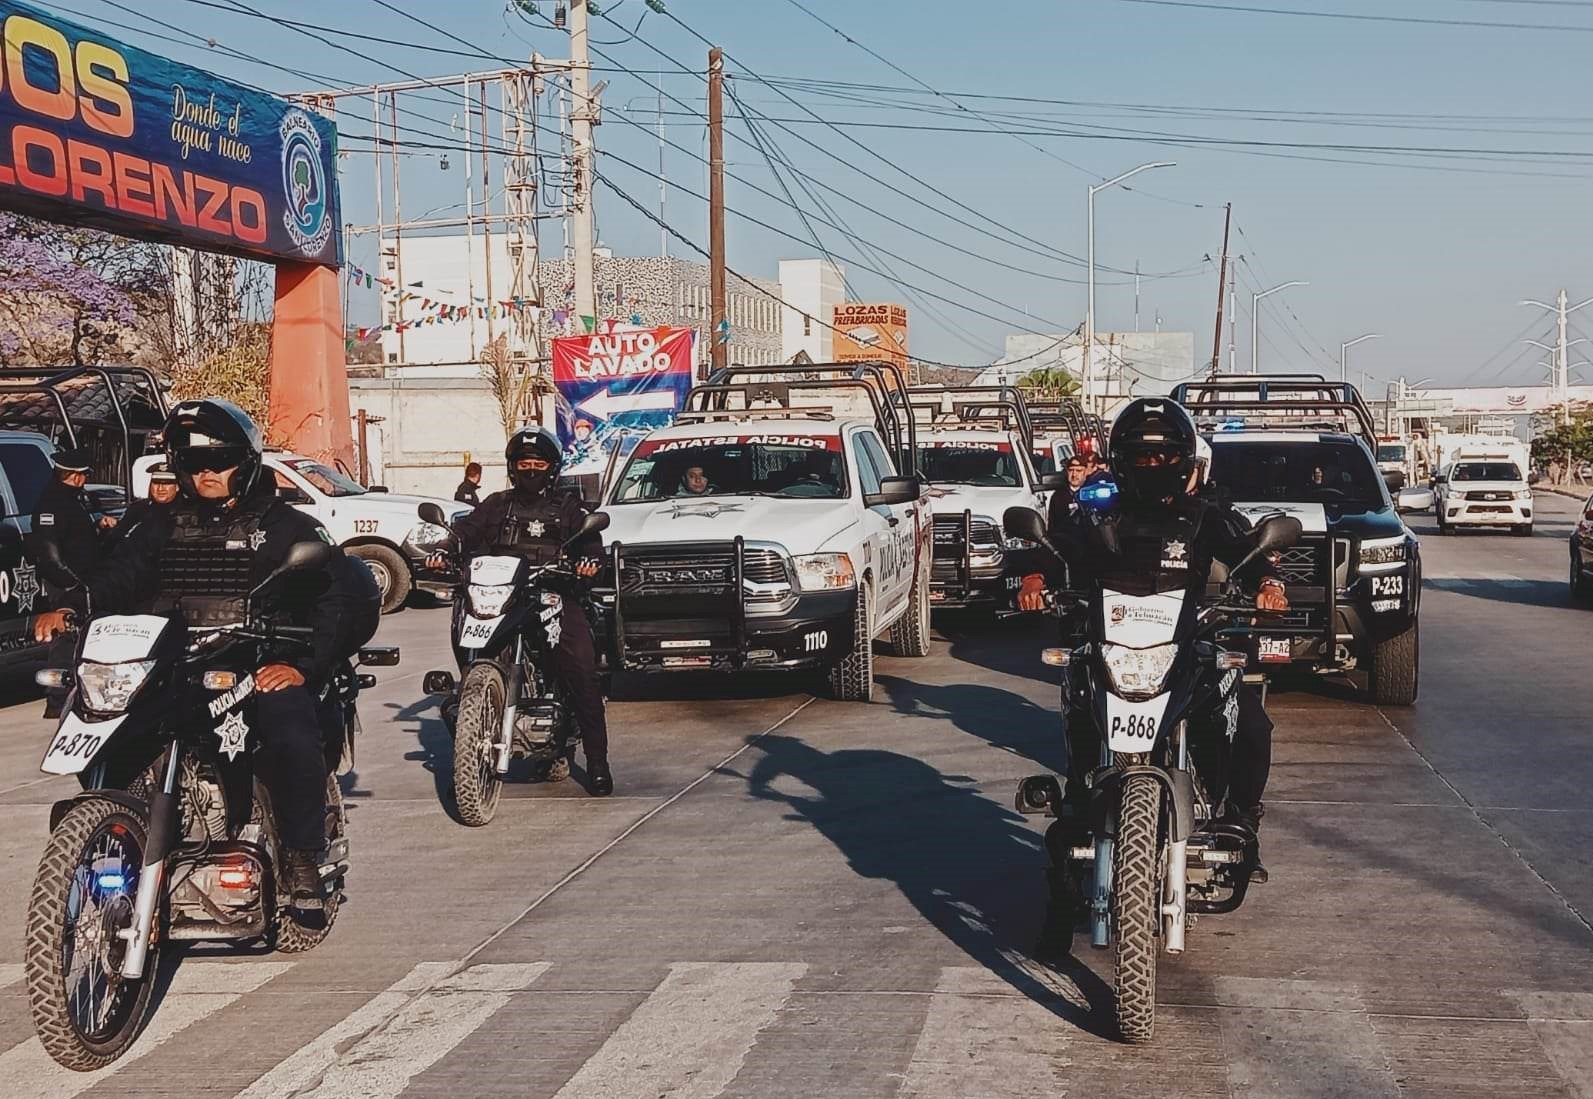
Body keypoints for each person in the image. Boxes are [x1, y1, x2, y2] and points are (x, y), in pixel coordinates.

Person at [33, 400, 380, 909]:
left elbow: (333, 601)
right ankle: (115, 830)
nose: (206, 474)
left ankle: (304, 854)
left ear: (246, 462)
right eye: (194, 465)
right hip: (176, 660)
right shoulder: (159, 524)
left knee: (289, 730)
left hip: (259, 660)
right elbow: (120, 576)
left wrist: (303, 665)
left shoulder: (288, 527)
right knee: (110, 726)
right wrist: (71, 605)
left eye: (218, 462)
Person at [1013, 399, 1286, 952]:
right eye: (1143, 454)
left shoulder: (1206, 514)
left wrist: (1266, 582)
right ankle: (1069, 838)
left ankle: (1240, 816)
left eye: (1164, 453)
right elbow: (1059, 549)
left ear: (1184, 460)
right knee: (1078, 720)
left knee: (1251, 722)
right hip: (1111, 650)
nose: (1154, 463)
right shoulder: (1100, 516)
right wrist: (1036, 574)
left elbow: (1245, 551)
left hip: (1185, 648)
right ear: (1121, 459)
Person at [429, 428, 613, 796]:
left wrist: (590, 562)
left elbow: (592, 545)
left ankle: (596, 761)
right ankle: (474, 710)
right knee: (468, 650)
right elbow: (466, 531)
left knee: (580, 667)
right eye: (524, 464)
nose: (531, 470)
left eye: (538, 464)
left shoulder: (568, 508)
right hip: (503, 596)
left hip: (552, 596)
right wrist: (446, 547)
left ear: (552, 468)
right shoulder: (496, 504)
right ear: (513, 468)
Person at [28, 446, 117, 718]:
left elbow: (80, 539)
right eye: (82, 475)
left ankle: (86, 693)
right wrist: (74, 587)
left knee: (87, 640)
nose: (84, 480)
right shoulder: (51, 504)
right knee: (65, 640)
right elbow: (50, 557)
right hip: (67, 585)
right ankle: (57, 701)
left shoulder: (77, 500)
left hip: (85, 582)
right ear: (74, 476)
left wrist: (99, 527)